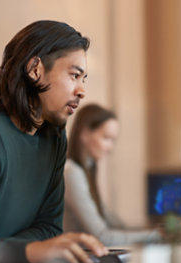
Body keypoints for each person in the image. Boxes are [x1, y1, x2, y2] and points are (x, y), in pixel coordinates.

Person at [0, 20, 108, 263]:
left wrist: (17, 252)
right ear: (35, 69)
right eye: (74, 75)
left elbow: (49, 228)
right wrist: (31, 251)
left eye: (83, 79)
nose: (82, 91)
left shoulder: (54, 138)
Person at [64, 104, 159, 246]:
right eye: (106, 138)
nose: (110, 148)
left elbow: (115, 224)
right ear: (84, 134)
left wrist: (154, 231)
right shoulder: (71, 172)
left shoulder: (87, 170)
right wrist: (155, 235)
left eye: (113, 140)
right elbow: (102, 236)